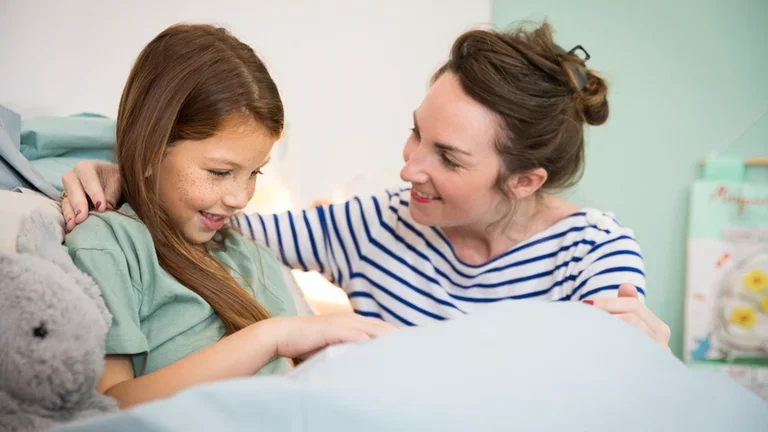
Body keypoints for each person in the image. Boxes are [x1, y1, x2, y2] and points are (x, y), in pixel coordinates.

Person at [61, 22, 670, 347]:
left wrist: (637, 353)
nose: (409, 168)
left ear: (523, 180)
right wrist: (127, 178)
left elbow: (608, 369)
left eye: (448, 158)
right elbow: (218, 220)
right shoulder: (375, 223)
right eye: (416, 133)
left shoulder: (594, 253)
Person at [62, 24, 394, 410]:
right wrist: (270, 338)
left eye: (255, 173)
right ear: (151, 149)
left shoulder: (248, 254)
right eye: (220, 172)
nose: (240, 198)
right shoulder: (111, 246)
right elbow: (112, 407)